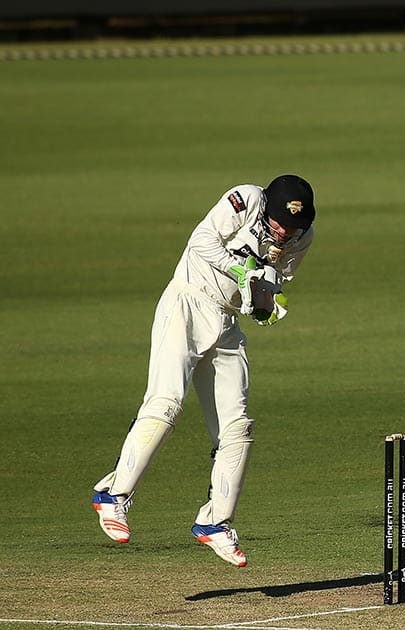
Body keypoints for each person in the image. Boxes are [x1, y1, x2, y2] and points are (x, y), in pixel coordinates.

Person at [90, 174, 316, 567]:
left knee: (238, 428)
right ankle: (113, 495)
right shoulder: (245, 200)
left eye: (293, 225)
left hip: (226, 322)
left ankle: (215, 523)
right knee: (166, 404)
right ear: (268, 209)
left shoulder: (302, 237)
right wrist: (241, 271)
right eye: (280, 221)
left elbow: (271, 281)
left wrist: (261, 302)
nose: (285, 231)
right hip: (187, 303)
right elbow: (201, 241)